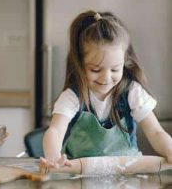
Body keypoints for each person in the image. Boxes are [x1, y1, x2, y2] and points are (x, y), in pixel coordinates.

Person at [41, 10, 172, 169]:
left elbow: (156, 132)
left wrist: (169, 149)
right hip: (80, 176)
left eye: (115, 69)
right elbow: (55, 130)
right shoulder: (73, 97)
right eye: (96, 70)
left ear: (125, 62)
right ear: (79, 64)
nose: (106, 78)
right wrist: (54, 157)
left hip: (125, 175)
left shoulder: (132, 92)